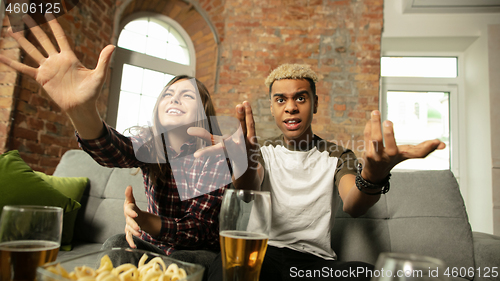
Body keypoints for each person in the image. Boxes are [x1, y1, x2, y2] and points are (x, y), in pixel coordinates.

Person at [0, 14, 232, 273]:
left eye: (187, 95)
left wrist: (145, 221)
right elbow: (114, 151)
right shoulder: (150, 144)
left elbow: (199, 230)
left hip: (198, 254)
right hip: (153, 251)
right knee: (117, 242)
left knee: (214, 264)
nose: (174, 99)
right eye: (168, 94)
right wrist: (82, 111)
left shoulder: (215, 154)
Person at [198, 64, 446, 281]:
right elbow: (248, 188)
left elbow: (353, 204)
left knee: (368, 273)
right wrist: (244, 162)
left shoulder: (338, 155)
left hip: (314, 265)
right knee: (227, 264)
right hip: (262, 255)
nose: (291, 108)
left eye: (301, 98)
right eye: (281, 100)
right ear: (272, 108)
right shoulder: (261, 151)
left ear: (315, 104)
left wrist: (373, 177)